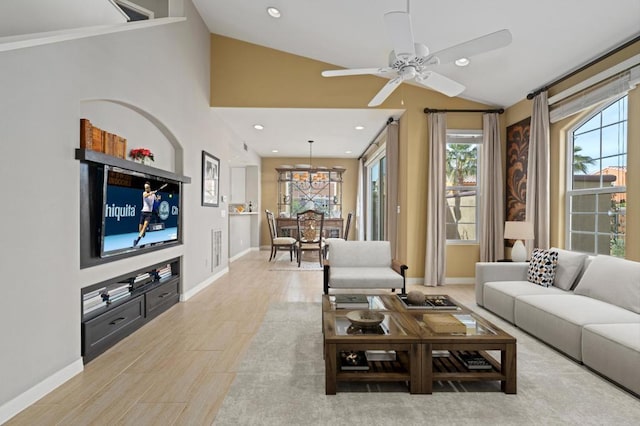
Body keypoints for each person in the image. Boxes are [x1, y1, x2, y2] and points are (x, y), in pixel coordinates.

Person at [133, 182, 157, 246]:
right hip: (143, 213)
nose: (146, 189)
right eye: (145, 188)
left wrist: (158, 199)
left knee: (145, 226)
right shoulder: (144, 193)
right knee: (140, 230)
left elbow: (156, 200)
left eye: (147, 188)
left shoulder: (153, 195)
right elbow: (145, 196)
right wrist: (151, 193)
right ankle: (143, 232)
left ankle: (137, 241)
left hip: (149, 214)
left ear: (149, 187)